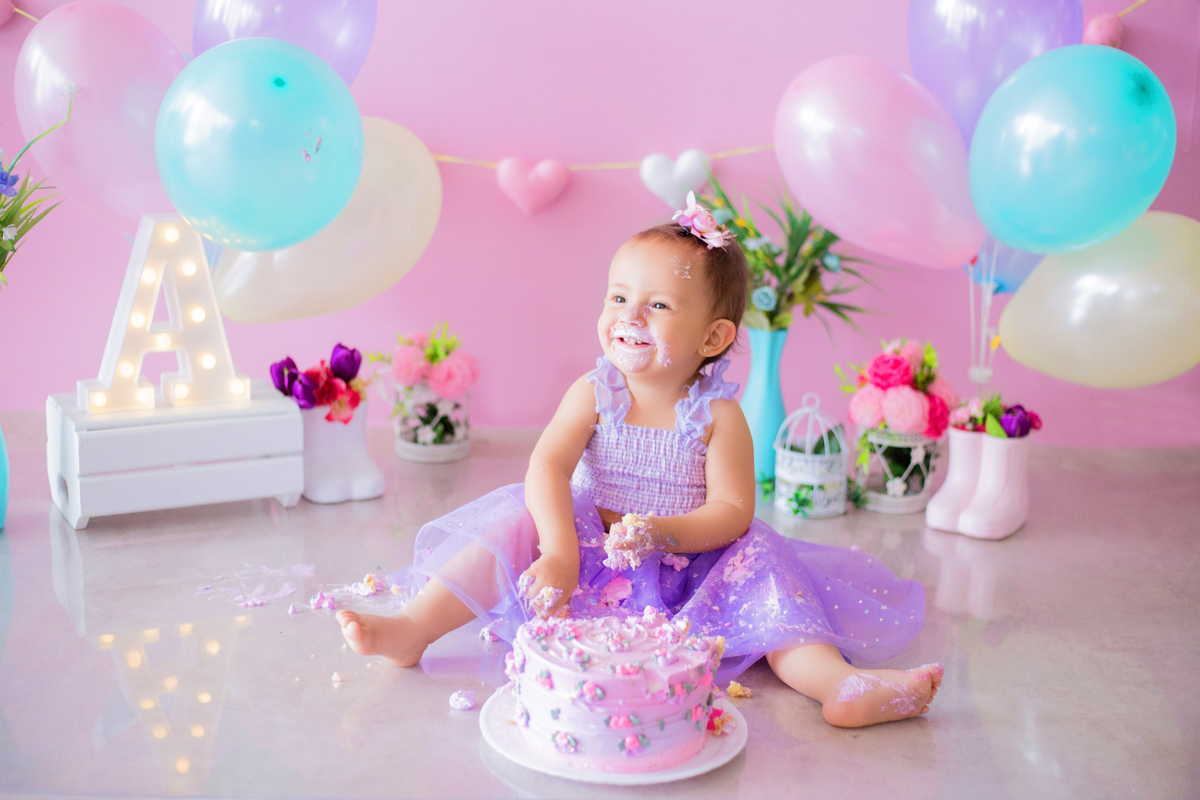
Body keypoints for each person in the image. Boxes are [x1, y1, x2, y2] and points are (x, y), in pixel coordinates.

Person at [338, 194, 940, 727]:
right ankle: (414, 628)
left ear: (713, 339)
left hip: (695, 564)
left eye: (657, 306)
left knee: (773, 591)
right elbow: (546, 467)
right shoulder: (594, 393)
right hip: (584, 547)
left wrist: (662, 533)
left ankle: (838, 685)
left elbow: (732, 511)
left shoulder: (719, 417)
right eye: (619, 296)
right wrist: (558, 551)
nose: (628, 315)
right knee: (505, 528)